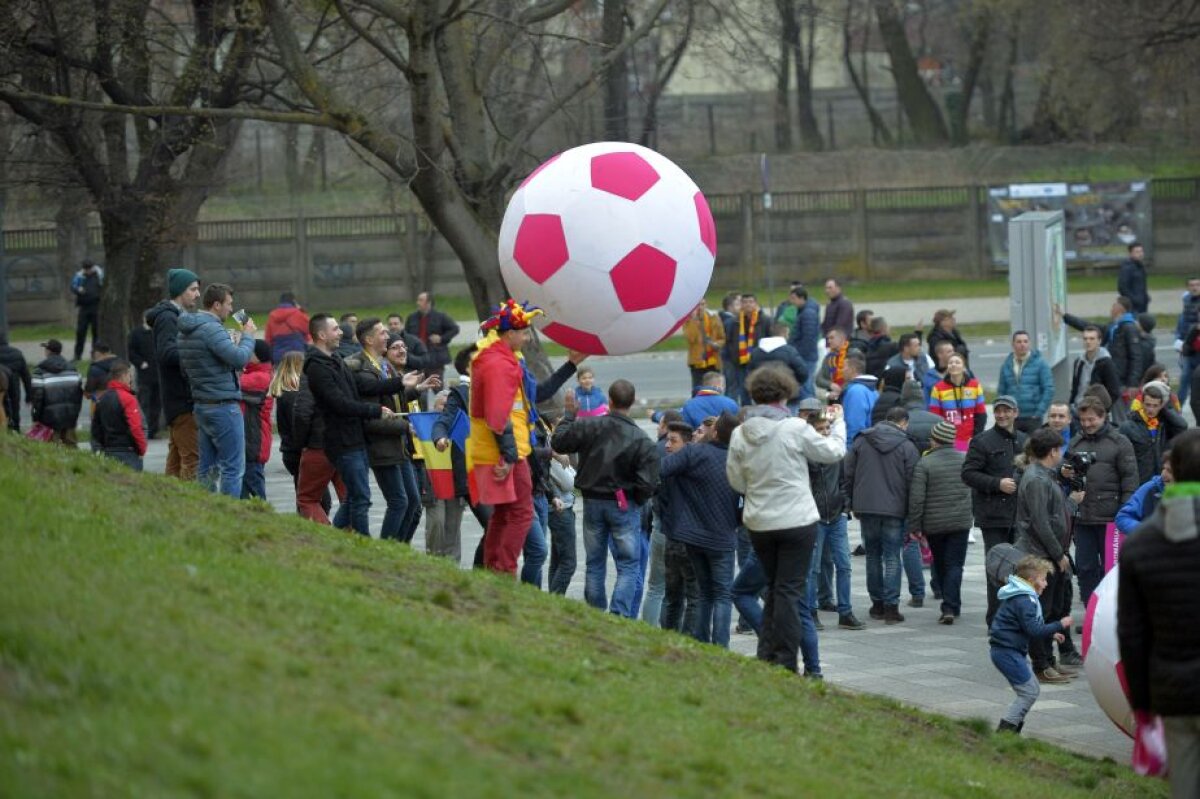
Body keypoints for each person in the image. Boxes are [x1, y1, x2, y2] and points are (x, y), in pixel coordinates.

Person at [726, 367, 846, 675]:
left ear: (753, 394)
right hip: (797, 520)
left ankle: (767, 654)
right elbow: (833, 452)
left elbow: (736, 481)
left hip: (760, 522)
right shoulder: (794, 427)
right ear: (785, 393)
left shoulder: (741, 433)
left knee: (773, 587)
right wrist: (840, 424)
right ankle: (786, 662)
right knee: (789, 592)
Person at [1118, 429, 1200, 799]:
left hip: (1174, 692)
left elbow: (1131, 636)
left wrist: (1142, 703)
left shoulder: (1142, 544)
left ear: (1172, 471)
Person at [553, 379, 659, 618]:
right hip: (623, 503)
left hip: (592, 500)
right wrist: (637, 499)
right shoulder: (640, 438)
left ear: (609, 401)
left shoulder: (590, 427)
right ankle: (619, 613)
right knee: (628, 564)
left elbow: (558, 442)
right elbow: (648, 481)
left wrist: (569, 416)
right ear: (631, 403)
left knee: (595, 560)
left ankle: (596, 611)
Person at [304, 313, 400, 535]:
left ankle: (332, 539)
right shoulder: (317, 367)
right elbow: (339, 403)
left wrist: (400, 383)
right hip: (342, 441)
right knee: (360, 498)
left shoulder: (334, 359)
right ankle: (362, 544)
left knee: (355, 498)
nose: (341, 332)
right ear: (321, 335)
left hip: (354, 438)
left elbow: (361, 385)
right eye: (336, 329)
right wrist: (375, 410)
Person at [346, 323, 437, 542]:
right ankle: (387, 547)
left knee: (412, 503)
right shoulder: (366, 370)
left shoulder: (382, 367)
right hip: (383, 447)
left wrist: (416, 390)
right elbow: (373, 418)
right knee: (399, 502)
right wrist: (406, 426)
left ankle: (398, 548)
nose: (387, 336)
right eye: (383, 334)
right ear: (369, 340)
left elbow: (393, 402)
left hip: (398, 446)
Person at [658, 412, 740, 647]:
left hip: (693, 535)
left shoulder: (695, 452)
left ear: (715, 431)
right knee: (723, 596)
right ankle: (721, 646)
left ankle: (703, 644)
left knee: (704, 593)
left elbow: (663, 469)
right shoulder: (739, 460)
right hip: (724, 536)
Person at [178, 283, 257, 498]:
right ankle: (230, 513)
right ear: (216, 304)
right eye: (229, 304)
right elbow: (240, 357)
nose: (231, 310)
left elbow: (191, 367)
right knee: (233, 468)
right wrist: (248, 336)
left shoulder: (187, 329)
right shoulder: (212, 329)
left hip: (202, 404)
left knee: (208, 467)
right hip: (223, 405)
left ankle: (209, 511)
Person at [844, 405, 920, 624]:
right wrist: (913, 514)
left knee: (872, 556)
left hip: (866, 507)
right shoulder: (907, 446)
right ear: (903, 423)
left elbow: (848, 474)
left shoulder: (861, 441)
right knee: (892, 557)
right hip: (895, 510)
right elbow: (912, 482)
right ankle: (891, 608)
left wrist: (850, 503)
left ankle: (876, 604)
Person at [961, 395, 1027, 627]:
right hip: (993, 517)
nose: (1001, 415)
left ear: (1015, 413)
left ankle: (1017, 618)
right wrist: (997, 483)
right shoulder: (982, 441)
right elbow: (968, 474)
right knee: (997, 569)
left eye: (1006, 411)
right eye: (998, 411)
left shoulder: (1024, 441)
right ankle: (996, 620)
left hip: (1019, 517)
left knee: (1021, 568)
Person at [1067, 396, 1139, 607]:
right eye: (1083, 420)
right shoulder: (1076, 442)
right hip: (1083, 518)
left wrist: (1125, 512)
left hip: (1111, 519)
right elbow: (1067, 477)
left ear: (1103, 417)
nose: (1087, 424)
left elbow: (1130, 480)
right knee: (1085, 568)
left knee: (1112, 568)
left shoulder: (1120, 442)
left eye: (1091, 420)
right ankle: (1091, 611)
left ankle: (1113, 611)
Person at [989, 555, 1073, 734]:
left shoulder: (1023, 596)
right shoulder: (1025, 600)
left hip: (1010, 651)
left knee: (1032, 689)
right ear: (1030, 580)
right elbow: (1034, 630)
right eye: (1043, 579)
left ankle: (1010, 730)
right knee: (1029, 692)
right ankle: (1006, 731)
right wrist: (1060, 624)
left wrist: (1051, 633)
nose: (1046, 584)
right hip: (1007, 653)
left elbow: (1029, 627)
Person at [803, 408, 865, 631]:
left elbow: (844, 482)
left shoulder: (836, 453)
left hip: (836, 516)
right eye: (820, 429)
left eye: (828, 428)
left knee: (844, 565)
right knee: (813, 569)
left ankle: (845, 612)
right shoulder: (806, 456)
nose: (826, 432)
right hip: (815, 518)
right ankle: (811, 612)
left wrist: (844, 507)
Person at [908, 420, 973, 625]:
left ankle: (949, 604)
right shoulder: (964, 460)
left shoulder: (925, 463)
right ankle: (952, 605)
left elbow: (917, 498)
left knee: (941, 563)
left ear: (934, 440)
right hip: (960, 522)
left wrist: (915, 526)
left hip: (934, 524)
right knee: (955, 564)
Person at [147, 268, 201, 480]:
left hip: (180, 398)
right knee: (192, 461)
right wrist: (199, 350)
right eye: (193, 289)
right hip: (181, 399)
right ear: (180, 291)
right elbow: (167, 354)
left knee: (177, 460)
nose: (197, 294)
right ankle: (191, 506)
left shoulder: (177, 316)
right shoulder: (168, 318)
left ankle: (170, 503)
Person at [1119, 380, 1186, 485]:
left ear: (1161, 406)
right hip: (1140, 480)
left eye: (1155, 406)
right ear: (1142, 403)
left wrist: (1163, 411)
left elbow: (1182, 426)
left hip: (1161, 478)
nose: (1151, 409)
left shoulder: (1164, 423)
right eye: (1148, 405)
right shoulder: (1128, 426)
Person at [90, 359, 146, 470]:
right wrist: (142, 448)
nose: (130, 379)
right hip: (128, 451)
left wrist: (99, 448)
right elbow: (135, 427)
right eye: (130, 376)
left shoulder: (102, 399)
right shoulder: (128, 399)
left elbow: (96, 429)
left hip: (108, 451)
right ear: (123, 376)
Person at [269, 351, 310, 502]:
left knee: (303, 492)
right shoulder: (294, 396)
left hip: (289, 450)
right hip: (298, 450)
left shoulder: (284, 394)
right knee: (314, 498)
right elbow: (299, 423)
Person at [997, 331, 1053, 434]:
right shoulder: (1006, 365)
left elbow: (1048, 389)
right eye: (1019, 341)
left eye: (1025, 341)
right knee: (1013, 447)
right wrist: (1003, 412)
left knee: (1033, 448)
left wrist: (1039, 412)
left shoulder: (1041, 363)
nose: (1022, 344)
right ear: (1013, 344)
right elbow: (1001, 391)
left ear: (1029, 343)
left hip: (1033, 417)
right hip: (1012, 417)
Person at [239, 340, 275, 500]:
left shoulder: (260, 377)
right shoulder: (254, 373)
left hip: (254, 440)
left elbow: (230, 382)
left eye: (248, 351)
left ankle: (264, 518)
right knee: (245, 487)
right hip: (252, 439)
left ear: (257, 357)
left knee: (254, 488)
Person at [928, 352, 986, 452]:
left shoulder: (975, 385)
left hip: (970, 440)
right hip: (948, 441)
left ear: (964, 367)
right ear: (947, 367)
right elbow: (935, 418)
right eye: (950, 363)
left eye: (957, 362)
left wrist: (975, 438)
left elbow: (981, 415)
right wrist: (943, 441)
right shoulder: (938, 388)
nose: (953, 364)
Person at [30, 339, 83, 447]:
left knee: (51, 450)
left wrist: (35, 418)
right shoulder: (73, 370)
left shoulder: (39, 372)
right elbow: (79, 394)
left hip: (49, 420)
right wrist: (74, 414)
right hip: (70, 417)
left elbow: (37, 399)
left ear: (48, 351)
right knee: (71, 447)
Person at [723, 293, 771, 405]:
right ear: (741, 305)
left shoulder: (765, 320)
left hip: (758, 363)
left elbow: (769, 339)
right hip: (740, 363)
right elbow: (728, 341)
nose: (748, 304)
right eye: (745, 302)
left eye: (750, 302)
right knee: (743, 391)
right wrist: (730, 357)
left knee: (759, 389)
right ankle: (746, 413)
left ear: (755, 304)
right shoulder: (734, 322)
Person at [1068, 325, 1121, 419]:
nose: (1088, 342)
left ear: (1099, 341)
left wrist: (1102, 410)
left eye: (1092, 339)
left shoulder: (1106, 363)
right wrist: (1071, 404)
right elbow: (1075, 388)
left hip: (1095, 413)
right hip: (1077, 409)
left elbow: (1114, 392)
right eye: (1085, 339)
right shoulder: (1078, 362)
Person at [748, 324, 809, 406]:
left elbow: (749, 373)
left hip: (761, 395)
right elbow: (803, 373)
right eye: (788, 334)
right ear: (783, 334)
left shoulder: (755, 352)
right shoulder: (789, 351)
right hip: (785, 394)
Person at [546, 444, 577, 594]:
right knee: (568, 563)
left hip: (559, 506)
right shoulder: (550, 445)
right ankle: (554, 600)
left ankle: (552, 602)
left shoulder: (550, 444)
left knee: (557, 560)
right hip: (560, 508)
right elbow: (569, 482)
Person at [1115, 451, 1171, 535]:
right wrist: (1149, 532)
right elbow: (1123, 517)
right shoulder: (1150, 488)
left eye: (1170, 471)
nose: (1164, 475)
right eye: (1164, 468)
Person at [126, 312, 161, 438]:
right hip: (144, 374)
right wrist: (140, 363)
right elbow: (131, 351)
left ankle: (153, 430)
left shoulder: (157, 332)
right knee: (144, 402)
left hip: (158, 373)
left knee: (156, 404)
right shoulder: (136, 333)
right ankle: (143, 429)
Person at [786, 285, 821, 398]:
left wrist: (799, 355)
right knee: (806, 384)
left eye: (794, 298)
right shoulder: (803, 311)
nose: (791, 301)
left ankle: (811, 409)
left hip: (806, 357)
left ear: (802, 298)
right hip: (804, 355)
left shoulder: (808, 313)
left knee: (806, 385)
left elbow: (808, 338)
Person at [682, 299, 724, 389]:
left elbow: (722, 338)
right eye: (697, 305)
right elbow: (691, 339)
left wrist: (717, 344)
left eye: (702, 304)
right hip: (697, 360)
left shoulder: (714, 317)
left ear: (706, 305)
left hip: (713, 360)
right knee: (698, 389)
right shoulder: (688, 321)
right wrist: (694, 321)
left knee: (714, 388)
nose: (700, 307)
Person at [839, 352, 878, 445]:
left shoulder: (855, 392)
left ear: (852, 369)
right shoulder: (873, 390)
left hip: (857, 449)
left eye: (844, 367)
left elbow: (854, 426)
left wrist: (849, 451)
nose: (842, 371)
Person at [264, 291, 311, 364]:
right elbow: (310, 329)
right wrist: (301, 310)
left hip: (278, 355)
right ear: (294, 302)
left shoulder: (272, 315)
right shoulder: (298, 313)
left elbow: (268, 339)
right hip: (297, 353)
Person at [1174, 276, 1200, 404]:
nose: (1195, 287)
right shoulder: (1186, 300)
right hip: (1189, 348)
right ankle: (1178, 408)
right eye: (1192, 285)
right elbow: (1182, 322)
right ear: (1188, 287)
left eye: (1197, 285)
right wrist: (1178, 339)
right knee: (1184, 378)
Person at [71, 259, 102, 362]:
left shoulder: (99, 274)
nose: (88, 271)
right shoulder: (79, 276)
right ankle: (77, 355)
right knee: (81, 332)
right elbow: (73, 287)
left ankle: (95, 355)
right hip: (84, 308)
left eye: (89, 268)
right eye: (86, 269)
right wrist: (78, 290)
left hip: (96, 307)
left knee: (96, 333)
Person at [0, 333, 31, 432]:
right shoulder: (17, 353)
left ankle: (4, 432)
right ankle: (16, 430)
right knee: (15, 409)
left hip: (1, 386)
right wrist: (29, 395)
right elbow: (26, 376)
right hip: (14, 387)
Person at [816, 328, 850, 400]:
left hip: (849, 396)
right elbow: (818, 379)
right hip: (833, 398)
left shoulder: (852, 354)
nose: (829, 341)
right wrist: (831, 385)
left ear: (842, 339)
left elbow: (855, 378)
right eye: (828, 338)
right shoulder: (829, 357)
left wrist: (841, 390)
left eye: (832, 338)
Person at [1117, 241, 1149, 314]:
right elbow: (1122, 287)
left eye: (1141, 251)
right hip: (1134, 306)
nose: (1140, 254)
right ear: (1130, 253)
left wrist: (1146, 297)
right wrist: (1134, 300)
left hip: (1143, 304)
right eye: (1137, 252)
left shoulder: (1140, 266)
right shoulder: (1127, 268)